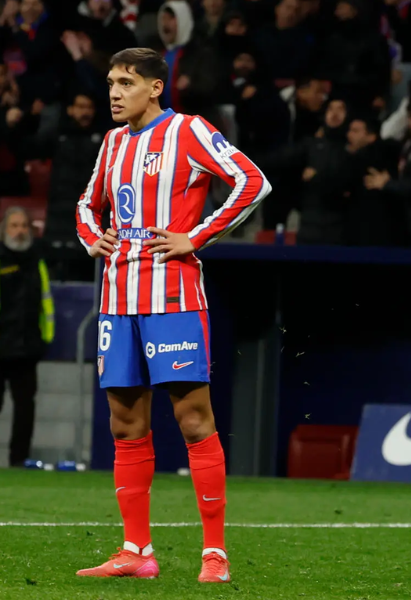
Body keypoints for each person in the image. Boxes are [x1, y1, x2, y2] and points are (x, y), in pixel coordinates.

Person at [74, 48, 271, 583]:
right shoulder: (112, 142)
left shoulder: (188, 131)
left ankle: (214, 554)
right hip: (117, 301)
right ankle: (136, 551)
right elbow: (86, 206)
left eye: (126, 82)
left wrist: (197, 235)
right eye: (111, 82)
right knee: (125, 424)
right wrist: (94, 239)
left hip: (174, 299)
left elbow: (252, 182)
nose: (114, 92)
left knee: (192, 420)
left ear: (156, 87)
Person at [0, 207, 55, 467]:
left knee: (25, 410)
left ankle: (18, 461)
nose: (20, 231)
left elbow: (45, 300)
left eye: (24, 225)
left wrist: (45, 338)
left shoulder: (37, 258)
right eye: (14, 225)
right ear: (4, 230)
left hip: (27, 348)